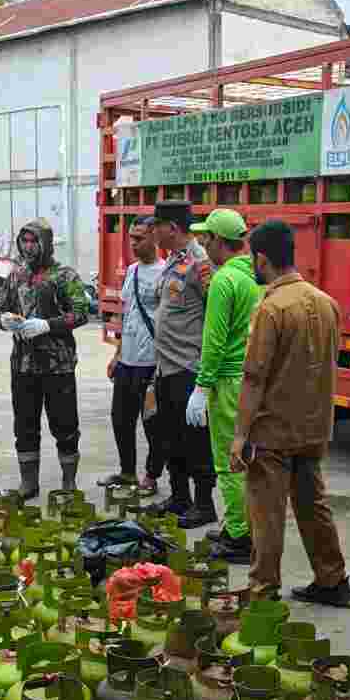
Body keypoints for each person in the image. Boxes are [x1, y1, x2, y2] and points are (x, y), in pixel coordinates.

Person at [229, 220, 350, 603]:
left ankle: (263, 588)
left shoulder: (272, 309)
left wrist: (240, 436)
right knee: (312, 504)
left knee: (267, 511)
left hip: (274, 432)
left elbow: (253, 378)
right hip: (314, 429)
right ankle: (332, 579)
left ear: (262, 259)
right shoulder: (326, 302)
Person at [0, 221, 89, 500]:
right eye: (23, 241)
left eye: (33, 241)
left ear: (45, 243)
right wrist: (5, 320)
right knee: (24, 424)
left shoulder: (64, 275)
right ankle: (29, 483)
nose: (27, 246)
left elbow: (82, 312)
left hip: (58, 365)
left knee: (65, 424)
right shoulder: (16, 276)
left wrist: (48, 325)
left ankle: (69, 483)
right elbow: (0, 306)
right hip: (23, 365)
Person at [188, 208, 262, 557]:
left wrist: (202, 387)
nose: (202, 244)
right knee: (248, 458)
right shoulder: (254, 277)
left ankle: (238, 536)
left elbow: (213, 341)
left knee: (227, 461)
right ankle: (245, 524)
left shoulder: (223, 281)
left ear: (219, 241)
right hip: (251, 379)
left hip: (228, 381)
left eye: (206, 238)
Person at [146, 201, 216, 528]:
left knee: (195, 441)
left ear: (171, 228)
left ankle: (204, 504)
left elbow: (213, 314)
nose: (152, 231)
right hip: (166, 367)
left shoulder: (200, 263)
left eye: (156, 225)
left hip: (188, 367)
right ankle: (179, 497)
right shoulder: (173, 260)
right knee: (169, 437)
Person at [99, 216, 166, 496]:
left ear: (154, 237)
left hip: (151, 364)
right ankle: (127, 472)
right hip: (127, 362)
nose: (133, 244)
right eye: (132, 238)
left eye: (139, 238)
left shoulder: (166, 273)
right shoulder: (132, 272)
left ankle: (151, 476)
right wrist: (117, 354)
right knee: (120, 419)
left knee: (152, 423)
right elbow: (127, 317)